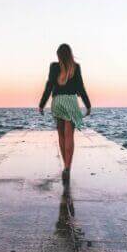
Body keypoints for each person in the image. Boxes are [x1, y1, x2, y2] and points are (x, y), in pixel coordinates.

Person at [38, 43, 91, 185]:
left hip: (58, 102)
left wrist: (42, 104)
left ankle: (65, 165)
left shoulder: (54, 67)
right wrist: (88, 104)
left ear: (59, 55)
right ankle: (67, 167)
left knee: (61, 135)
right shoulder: (76, 67)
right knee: (69, 136)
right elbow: (81, 87)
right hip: (71, 102)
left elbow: (49, 85)